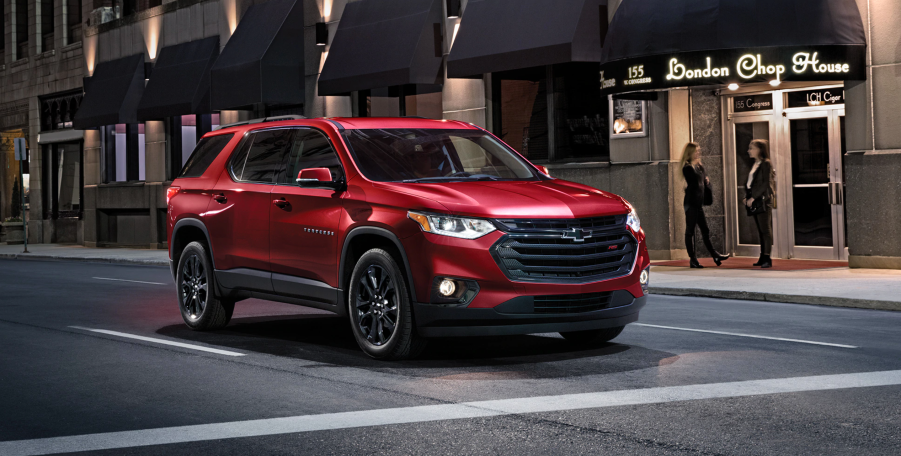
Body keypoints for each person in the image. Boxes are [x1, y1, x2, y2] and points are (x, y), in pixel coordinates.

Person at [680, 142, 730, 269]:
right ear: (690, 153)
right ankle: (693, 259)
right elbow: (696, 183)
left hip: (698, 204)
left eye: (699, 150)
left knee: (705, 230)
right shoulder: (687, 168)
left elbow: (703, 182)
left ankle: (715, 255)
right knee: (690, 231)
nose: (698, 153)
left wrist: (704, 178)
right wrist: (703, 178)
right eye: (696, 151)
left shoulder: (699, 166)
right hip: (691, 203)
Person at [744, 139, 774, 269]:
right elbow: (752, 183)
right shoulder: (756, 164)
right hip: (755, 199)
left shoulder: (765, 163)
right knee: (761, 230)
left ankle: (767, 257)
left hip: (763, 200)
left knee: (765, 230)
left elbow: (766, 183)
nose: (749, 151)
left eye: (752, 148)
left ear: (759, 149)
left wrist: (754, 197)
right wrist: (747, 197)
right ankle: (762, 257)